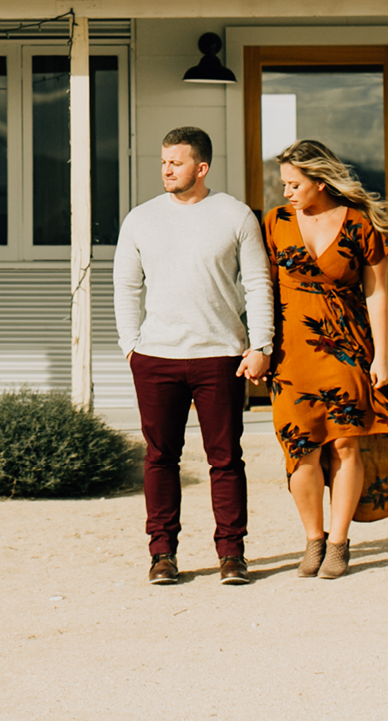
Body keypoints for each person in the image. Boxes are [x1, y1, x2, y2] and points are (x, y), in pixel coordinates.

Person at [263, 138, 388, 580]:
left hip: (346, 349)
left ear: (320, 181)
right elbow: (262, 288)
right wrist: (261, 348)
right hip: (291, 355)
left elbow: (377, 293)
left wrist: (382, 357)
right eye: (283, 183)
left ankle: (339, 544)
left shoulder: (360, 225)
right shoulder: (275, 222)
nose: (286, 192)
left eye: (293, 183)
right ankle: (313, 539)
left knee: (345, 443)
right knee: (300, 449)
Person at [114, 126, 273, 587]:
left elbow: (258, 284)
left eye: (176, 162)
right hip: (156, 357)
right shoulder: (140, 219)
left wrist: (259, 344)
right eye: (163, 161)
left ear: (200, 168)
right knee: (160, 458)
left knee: (225, 460)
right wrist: (131, 345)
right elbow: (126, 286)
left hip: (220, 355)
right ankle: (162, 554)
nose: (167, 169)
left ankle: (232, 554)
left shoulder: (235, 215)